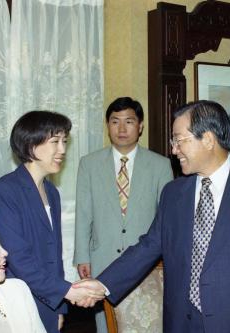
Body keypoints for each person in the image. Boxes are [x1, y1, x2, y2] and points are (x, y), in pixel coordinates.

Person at [75, 100, 230, 333]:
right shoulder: (174, 194)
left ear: (207, 139)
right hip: (182, 324)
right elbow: (148, 247)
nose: (174, 150)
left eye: (179, 140)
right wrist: (102, 283)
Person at [0, 111, 103, 333]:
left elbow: (54, 256)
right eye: (55, 142)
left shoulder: (52, 191)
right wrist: (66, 292)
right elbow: (18, 257)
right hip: (17, 302)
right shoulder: (4, 191)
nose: (62, 150)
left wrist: (59, 308)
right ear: (31, 145)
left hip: (49, 301)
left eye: (64, 142)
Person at [73, 97, 173, 332]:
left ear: (140, 126)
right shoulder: (89, 164)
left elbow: (167, 218)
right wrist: (82, 256)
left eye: (129, 121)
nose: (121, 128)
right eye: (115, 121)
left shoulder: (160, 165)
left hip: (146, 265)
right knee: (106, 324)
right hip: (102, 259)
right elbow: (83, 212)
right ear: (107, 126)